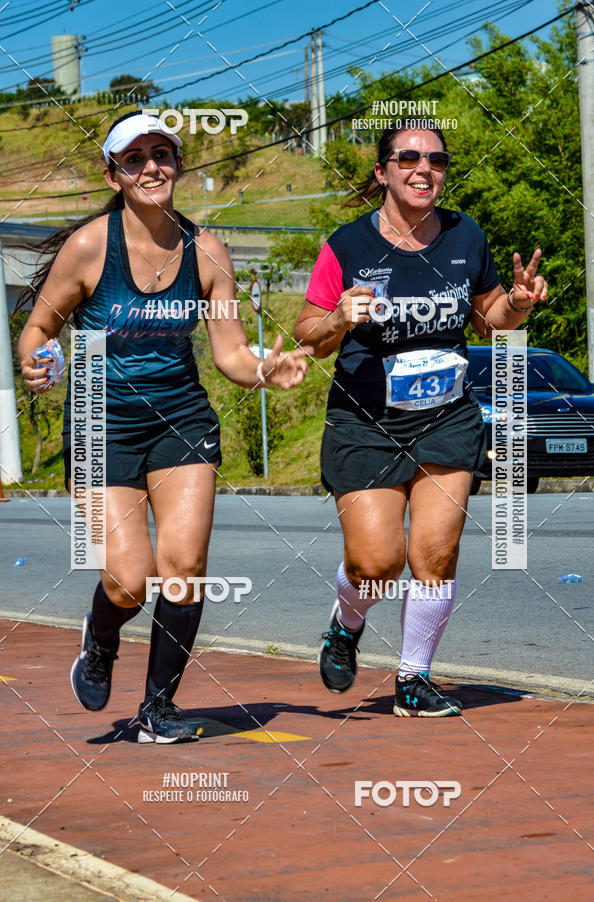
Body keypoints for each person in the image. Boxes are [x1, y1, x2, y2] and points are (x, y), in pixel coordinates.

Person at [18, 110, 310, 743]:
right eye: (135, 158)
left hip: (181, 417)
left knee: (185, 565)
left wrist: (267, 369)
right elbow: (39, 327)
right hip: (100, 421)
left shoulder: (207, 251)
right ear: (114, 175)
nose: (151, 167)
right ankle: (100, 639)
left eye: (162, 154)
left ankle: (158, 709)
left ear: (177, 164)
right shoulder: (90, 247)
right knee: (129, 580)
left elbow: (231, 354)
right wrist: (35, 361)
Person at [294, 123, 546, 717]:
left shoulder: (465, 235)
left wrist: (516, 303)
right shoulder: (347, 247)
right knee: (376, 566)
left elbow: (490, 319)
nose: (423, 169)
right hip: (366, 421)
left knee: (435, 553)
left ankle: (414, 678)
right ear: (382, 171)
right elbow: (307, 336)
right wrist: (339, 318)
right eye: (408, 157)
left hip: (446, 416)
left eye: (436, 159)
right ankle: (346, 622)